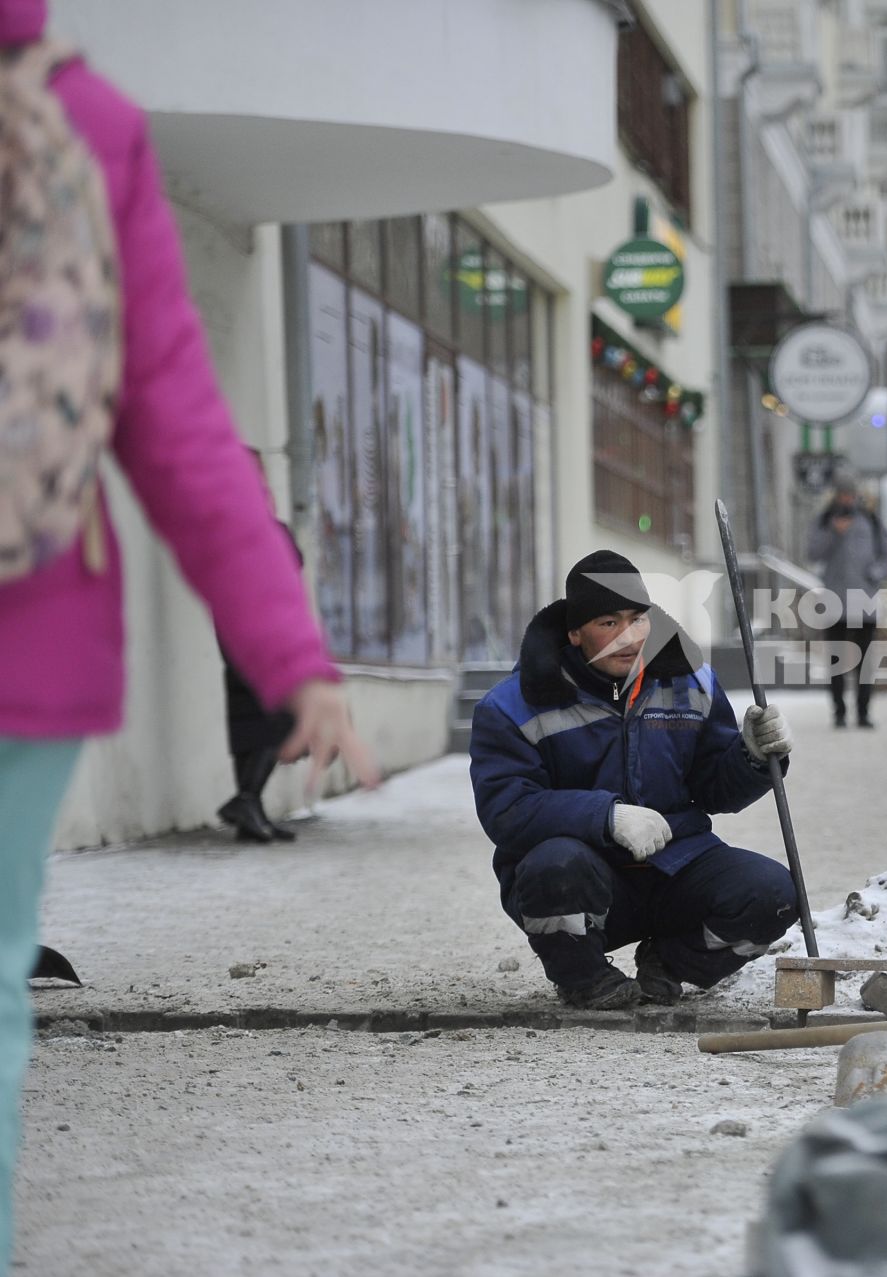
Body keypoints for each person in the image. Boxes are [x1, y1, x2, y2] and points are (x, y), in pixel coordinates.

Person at [0, 5, 379, 1260]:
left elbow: (177, 426)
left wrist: (291, 658)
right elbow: (176, 424)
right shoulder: (84, 123)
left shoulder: (89, 129)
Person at [468, 551, 798, 1011]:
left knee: (776, 896)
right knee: (552, 867)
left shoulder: (692, 683)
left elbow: (716, 790)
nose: (627, 636)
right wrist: (606, 817)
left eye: (636, 619)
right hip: (582, 880)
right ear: (575, 632)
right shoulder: (511, 706)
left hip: (676, 866)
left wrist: (754, 758)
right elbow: (507, 811)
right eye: (608, 622)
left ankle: (669, 965)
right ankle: (584, 978)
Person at [217, 454, 303, 842]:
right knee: (278, 716)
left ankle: (250, 813)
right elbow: (290, 562)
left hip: (234, 629)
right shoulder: (255, 524)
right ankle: (247, 799)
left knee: (247, 715)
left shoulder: (221, 522)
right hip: (261, 632)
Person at [805, 483, 887, 729]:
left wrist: (874, 574)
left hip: (865, 602)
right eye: (842, 494)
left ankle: (863, 712)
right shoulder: (824, 522)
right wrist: (835, 533)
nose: (846, 499)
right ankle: (839, 712)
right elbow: (813, 554)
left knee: (864, 662)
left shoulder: (871, 522)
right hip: (835, 602)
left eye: (850, 494)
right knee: (836, 661)